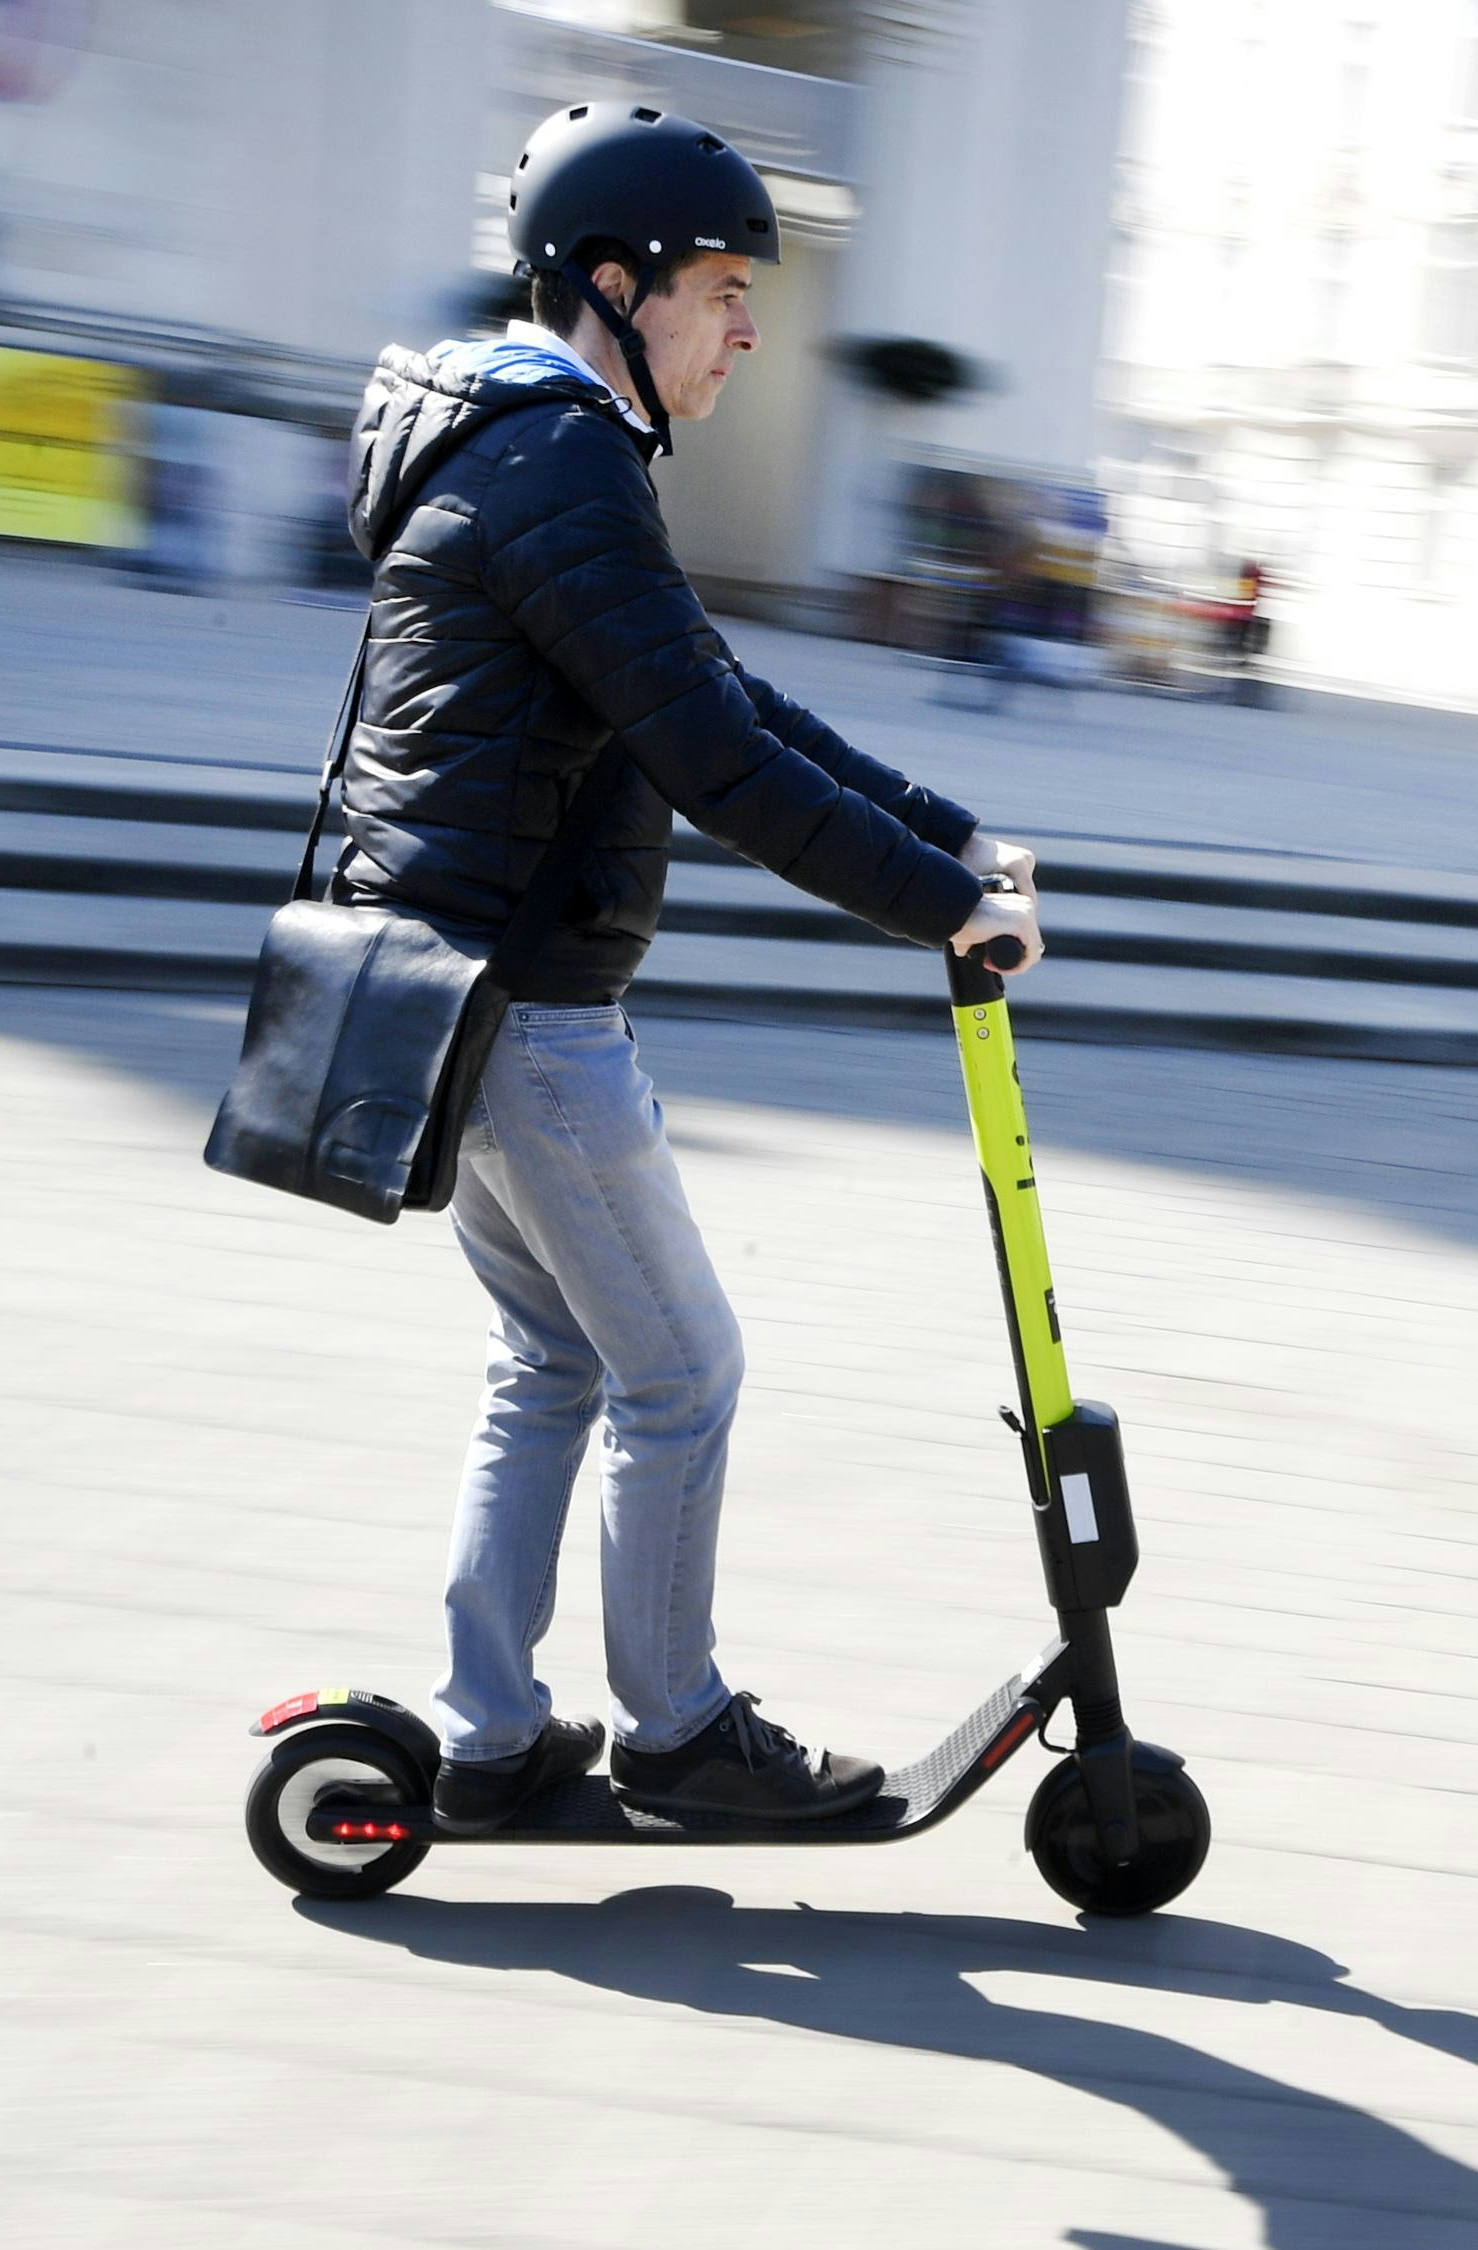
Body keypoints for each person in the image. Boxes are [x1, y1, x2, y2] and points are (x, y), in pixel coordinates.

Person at [331, 102, 1044, 1836]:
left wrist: (950, 834)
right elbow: (714, 765)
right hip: (525, 1009)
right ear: (610, 285)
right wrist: (939, 912)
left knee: (559, 1363)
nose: (743, 328)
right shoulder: (558, 458)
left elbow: (718, 697)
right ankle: (674, 1731)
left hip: (462, 986)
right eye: (720, 288)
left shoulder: (530, 444)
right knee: (684, 1371)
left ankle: (490, 1729)